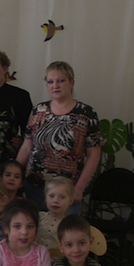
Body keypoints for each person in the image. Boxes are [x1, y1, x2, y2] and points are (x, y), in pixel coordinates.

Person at [17, 61, 102, 212]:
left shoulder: (86, 113)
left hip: (66, 192)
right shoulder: (38, 110)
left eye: (60, 81)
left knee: (65, 228)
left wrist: (80, 187)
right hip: (34, 187)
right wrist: (14, 174)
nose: (55, 86)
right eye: (50, 82)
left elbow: (94, 155)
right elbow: (26, 147)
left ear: (72, 83)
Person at [36, 177, 75, 251]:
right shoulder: (38, 217)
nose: (56, 201)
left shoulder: (71, 225)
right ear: (45, 197)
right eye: (51, 196)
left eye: (62, 197)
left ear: (70, 201)